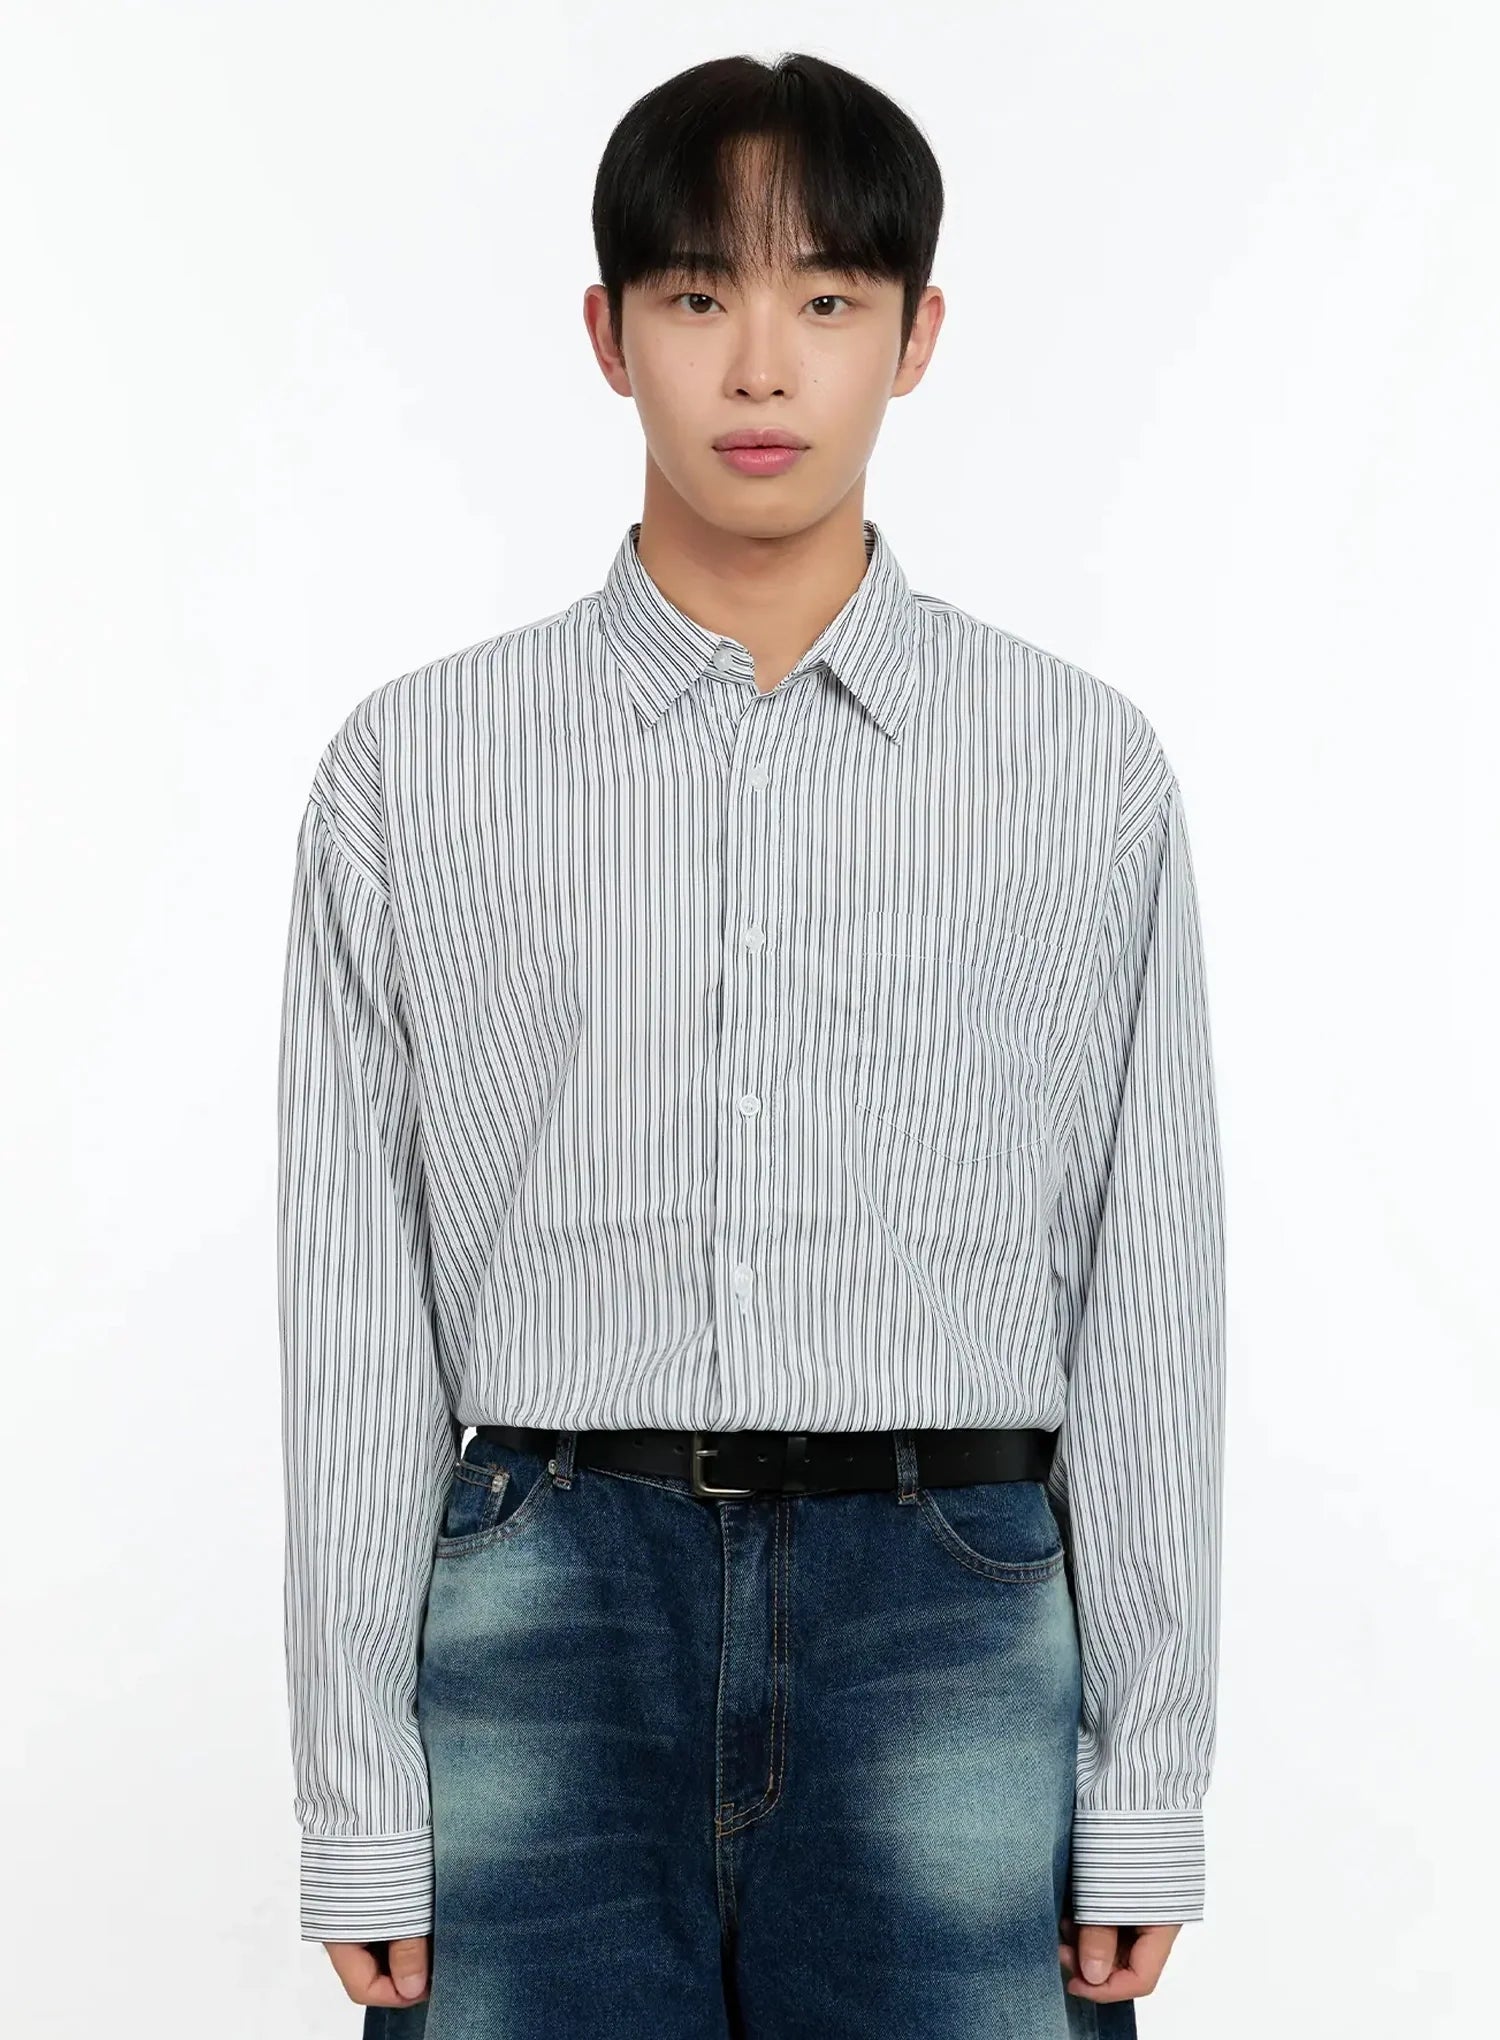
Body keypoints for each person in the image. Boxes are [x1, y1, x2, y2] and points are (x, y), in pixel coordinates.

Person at [276, 49, 1226, 2040]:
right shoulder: (416, 772)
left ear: (919, 335)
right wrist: (356, 1795)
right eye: (701, 294)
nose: (764, 365)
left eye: (829, 298)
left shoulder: (1078, 769)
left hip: (949, 1611)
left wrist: (1147, 1778)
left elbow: (1148, 1288)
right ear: (608, 333)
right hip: (545, 1609)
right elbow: (356, 1307)